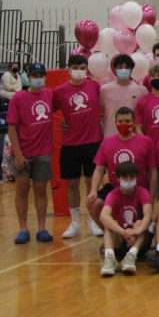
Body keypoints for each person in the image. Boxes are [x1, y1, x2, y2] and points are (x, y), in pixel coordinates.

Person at [53, 54, 104, 238]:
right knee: (72, 183)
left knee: (92, 183)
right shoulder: (60, 91)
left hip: (92, 141)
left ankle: (93, 221)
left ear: (87, 69)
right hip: (70, 143)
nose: (79, 70)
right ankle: (74, 222)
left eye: (82, 67)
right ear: (69, 69)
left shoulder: (94, 86)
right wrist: (61, 123)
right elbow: (51, 110)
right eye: (75, 67)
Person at [6, 63, 54, 244]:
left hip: (43, 152)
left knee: (41, 190)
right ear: (29, 76)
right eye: (35, 74)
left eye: (42, 74)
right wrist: (18, 154)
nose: (38, 77)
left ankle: (42, 228)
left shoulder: (49, 94)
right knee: (22, 190)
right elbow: (11, 126)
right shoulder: (18, 98)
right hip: (23, 152)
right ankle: (23, 228)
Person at [87, 107, 157, 227]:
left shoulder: (146, 141)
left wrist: (151, 197)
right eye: (120, 121)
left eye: (127, 121)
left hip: (138, 190)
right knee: (94, 203)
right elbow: (99, 170)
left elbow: (153, 172)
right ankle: (112, 236)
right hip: (115, 190)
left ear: (134, 123)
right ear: (115, 123)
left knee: (139, 229)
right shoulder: (107, 142)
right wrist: (93, 191)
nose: (123, 124)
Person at [98, 161, 152, 276]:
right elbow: (103, 216)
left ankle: (131, 256)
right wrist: (123, 232)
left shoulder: (143, 192)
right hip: (121, 239)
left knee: (140, 222)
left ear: (136, 177)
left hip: (139, 241)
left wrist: (135, 231)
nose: (128, 181)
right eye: (125, 177)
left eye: (131, 177)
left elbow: (148, 216)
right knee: (109, 224)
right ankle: (110, 258)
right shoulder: (113, 194)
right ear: (118, 178)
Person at [98, 54, 147, 137]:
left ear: (131, 69)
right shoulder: (104, 90)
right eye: (120, 67)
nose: (123, 70)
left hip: (133, 136)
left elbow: (144, 115)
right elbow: (100, 109)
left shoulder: (142, 90)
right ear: (115, 69)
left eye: (127, 67)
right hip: (110, 135)